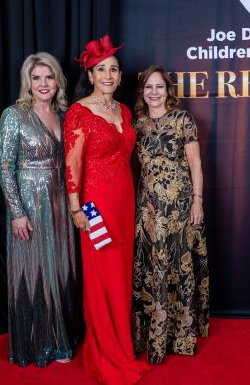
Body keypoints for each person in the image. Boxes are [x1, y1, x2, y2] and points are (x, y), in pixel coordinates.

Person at [64, 36, 149, 382]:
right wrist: (76, 209)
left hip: (124, 201)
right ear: (90, 74)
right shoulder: (79, 111)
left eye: (114, 69)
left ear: (120, 75)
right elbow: (72, 164)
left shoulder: (124, 111)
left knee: (121, 276)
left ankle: (122, 345)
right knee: (102, 277)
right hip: (95, 205)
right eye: (101, 69)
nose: (109, 75)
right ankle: (106, 351)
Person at [0, 52, 80, 367]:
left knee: (60, 268)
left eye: (49, 77)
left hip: (61, 204)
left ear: (58, 81)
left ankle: (62, 339)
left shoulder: (66, 114)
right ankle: (37, 345)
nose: (43, 84)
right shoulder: (14, 115)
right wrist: (17, 212)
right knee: (34, 271)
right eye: (36, 78)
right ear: (28, 82)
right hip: (29, 206)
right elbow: (5, 167)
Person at [132, 65, 210, 364]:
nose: (154, 92)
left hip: (178, 207)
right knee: (152, 267)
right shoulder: (137, 124)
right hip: (148, 208)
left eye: (159, 87)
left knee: (177, 267)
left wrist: (197, 202)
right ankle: (149, 335)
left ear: (168, 91)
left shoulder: (182, 120)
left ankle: (179, 335)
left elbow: (195, 164)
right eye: (148, 87)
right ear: (142, 92)